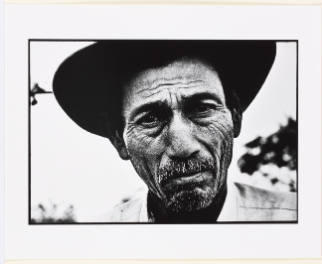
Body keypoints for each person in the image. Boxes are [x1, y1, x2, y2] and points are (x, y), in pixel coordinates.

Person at [53, 40, 297, 223]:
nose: (183, 147)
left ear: (235, 117)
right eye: (150, 119)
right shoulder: (95, 242)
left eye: (202, 109)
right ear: (119, 140)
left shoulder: (302, 223)